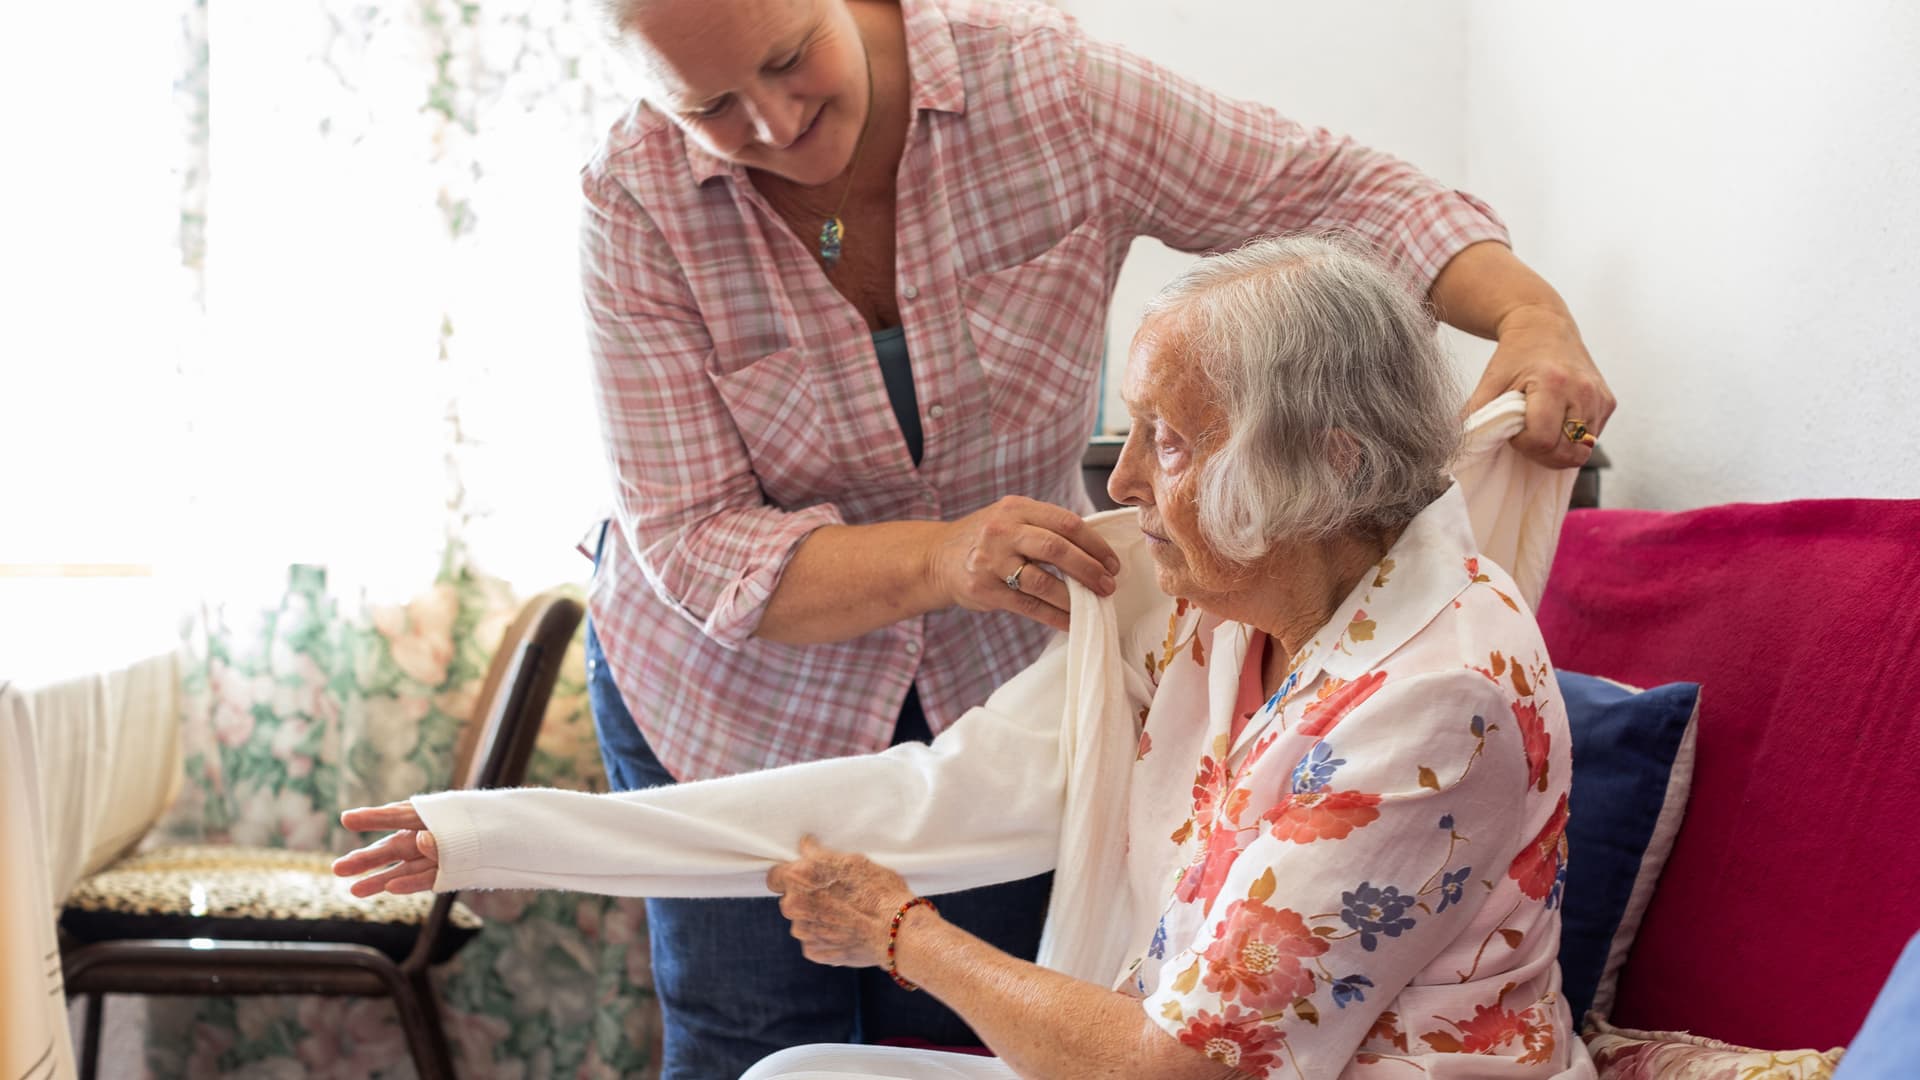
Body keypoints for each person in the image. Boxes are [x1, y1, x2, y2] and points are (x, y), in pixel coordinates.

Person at [577, 0, 1611, 1070]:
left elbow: (1337, 192)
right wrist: (938, 558)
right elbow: (698, 538)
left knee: (990, 1009)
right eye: (711, 109)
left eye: (792, 60)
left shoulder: (1049, 90)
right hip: (735, 687)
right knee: (745, 1038)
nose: (777, 121)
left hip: (1002, 645)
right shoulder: (634, 201)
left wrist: (1530, 317)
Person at [339, 236, 1596, 1077]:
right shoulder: (1218, 608)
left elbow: (1181, 1071)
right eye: (1134, 430)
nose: (1122, 478)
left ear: (1326, 463)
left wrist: (905, 938)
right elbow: (921, 798)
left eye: (1170, 437)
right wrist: (487, 833)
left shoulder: (1437, 699)